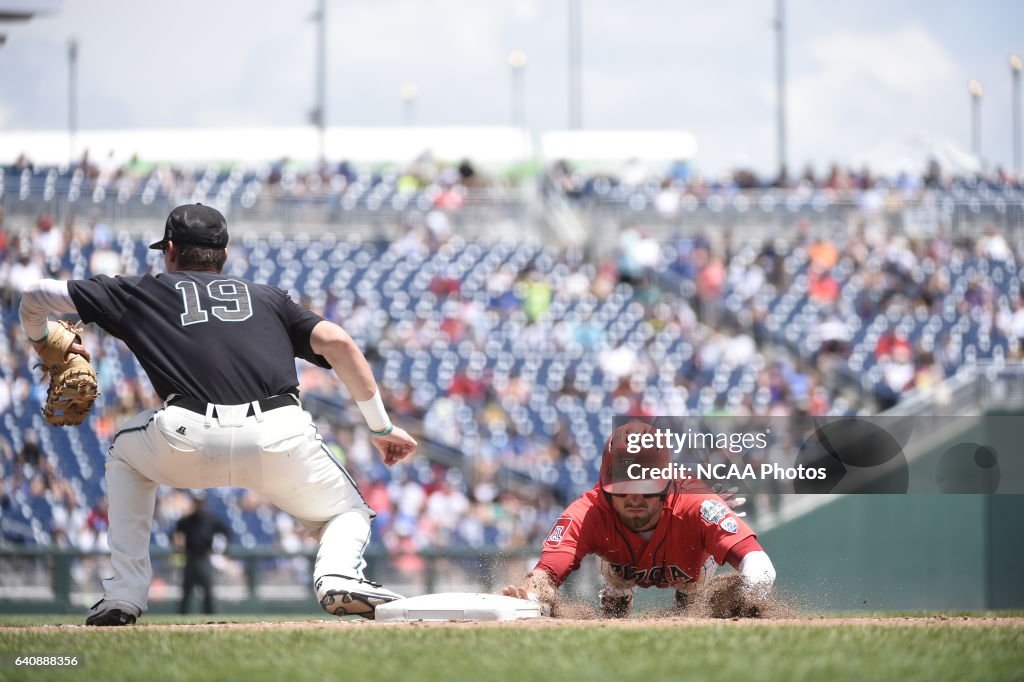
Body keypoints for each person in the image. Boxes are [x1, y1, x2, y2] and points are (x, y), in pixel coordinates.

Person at [19, 203, 418, 626]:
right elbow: (337, 341)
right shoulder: (269, 297)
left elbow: (34, 294)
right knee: (347, 512)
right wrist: (381, 426)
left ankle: (123, 597)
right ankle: (337, 573)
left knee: (124, 451)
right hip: (280, 435)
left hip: (186, 438)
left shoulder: (140, 290)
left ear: (169, 250)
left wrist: (43, 339)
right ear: (223, 256)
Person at [503, 422, 776, 618]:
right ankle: (616, 597)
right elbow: (547, 572)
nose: (634, 499)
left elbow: (758, 563)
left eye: (645, 489)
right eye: (623, 488)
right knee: (615, 595)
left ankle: (689, 601)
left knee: (693, 606)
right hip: (620, 562)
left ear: (665, 484)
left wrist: (749, 595)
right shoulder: (587, 512)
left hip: (689, 563)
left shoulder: (698, 503)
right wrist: (532, 596)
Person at [173, 493, 232, 615]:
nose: (198, 505)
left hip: (204, 558)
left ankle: (211, 616)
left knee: (208, 591)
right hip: (190, 558)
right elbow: (176, 533)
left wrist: (222, 549)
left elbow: (227, 533)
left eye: (200, 502)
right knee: (186, 591)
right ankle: (182, 616)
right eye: (196, 502)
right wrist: (179, 545)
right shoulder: (186, 520)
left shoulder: (210, 519)